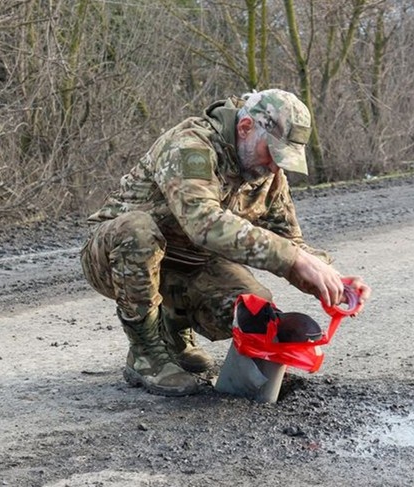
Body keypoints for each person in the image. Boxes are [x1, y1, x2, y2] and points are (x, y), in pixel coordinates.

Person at [80, 89, 370, 396]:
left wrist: (329, 279)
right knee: (137, 230)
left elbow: (289, 242)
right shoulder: (190, 146)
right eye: (271, 152)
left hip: (193, 263)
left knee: (255, 309)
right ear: (245, 128)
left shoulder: (269, 176)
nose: (274, 167)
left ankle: (174, 329)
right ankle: (146, 353)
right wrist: (295, 258)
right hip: (116, 256)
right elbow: (204, 224)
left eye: (283, 159)